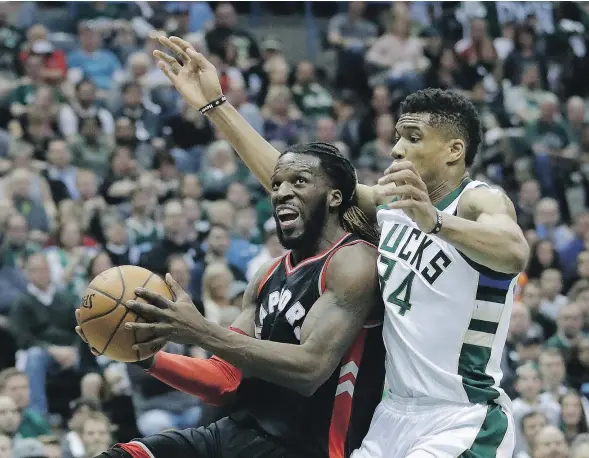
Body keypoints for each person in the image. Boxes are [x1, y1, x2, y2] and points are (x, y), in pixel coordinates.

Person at [149, 35, 530, 456]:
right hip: (393, 415)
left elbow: (514, 250)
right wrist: (217, 108)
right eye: (399, 135)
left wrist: (436, 221)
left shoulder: (476, 200)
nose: (398, 146)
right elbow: (299, 187)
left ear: (454, 150)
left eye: (414, 137)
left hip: (461, 414)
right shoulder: (392, 207)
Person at [79, 140, 385, 457]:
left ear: (334, 196)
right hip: (235, 434)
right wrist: (146, 357)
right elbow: (224, 380)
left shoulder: (354, 262)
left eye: (299, 181)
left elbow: (309, 370)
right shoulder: (266, 275)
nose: (281, 192)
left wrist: (200, 331)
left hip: (306, 448)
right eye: (277, 184)